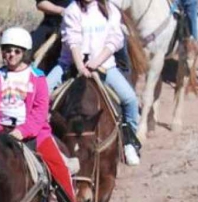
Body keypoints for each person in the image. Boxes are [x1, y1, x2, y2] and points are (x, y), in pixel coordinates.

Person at [0, 27, 98, 202]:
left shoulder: (37, 78)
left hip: (33, 134)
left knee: (58, 166)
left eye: (16, 51)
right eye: (7, 51)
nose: (11, 55)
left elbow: (40, 111)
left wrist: (21, 131)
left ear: (24, 52)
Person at [44, 0, 144, 166]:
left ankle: (129, 140)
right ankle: (39, 139)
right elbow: (72, 41)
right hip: (69, 65)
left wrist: (97, 62)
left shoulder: (110, 10)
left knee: (130, 99)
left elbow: (115, 40)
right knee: (41, 93)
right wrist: (80, 66)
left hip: (104, 66)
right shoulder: (72, 10)